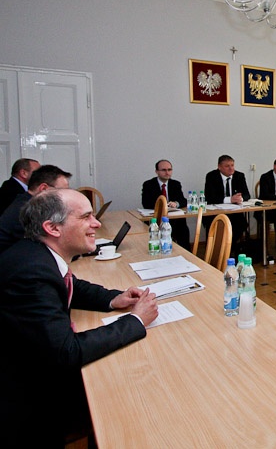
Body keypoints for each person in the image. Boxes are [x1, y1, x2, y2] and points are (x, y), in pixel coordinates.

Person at [0, 188, 158, 446]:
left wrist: (113, 299)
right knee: (128, 398)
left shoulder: (36, 254)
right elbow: (67, 352)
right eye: (85, 217)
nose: (96, 224)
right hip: (27, 403)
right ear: (53, 228)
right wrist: (136, 320)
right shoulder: (31, 273)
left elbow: (72, 285)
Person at [0, 164, 71, 254]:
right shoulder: (26, 210)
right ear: (44, 189)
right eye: (61, 191)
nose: (64, 196)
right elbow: (49, 247)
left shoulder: (27, 202)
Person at [204, 154, 251, 246]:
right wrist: (230, 199)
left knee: (242, 225)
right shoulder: (211, 176)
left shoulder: (239, 176)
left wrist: (240, 198)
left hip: (234, 212)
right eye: (227, 166)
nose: (231, 168)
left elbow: (247, 195)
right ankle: (215, 249)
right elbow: (210, 198)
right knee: (214, 225)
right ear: (219, 167)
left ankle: (228, 247)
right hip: (216, 212)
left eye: (232, 165)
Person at [142, 159, 189, 248]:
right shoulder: (148, 184)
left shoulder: (175, 184)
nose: (167, 172)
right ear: (157, 172)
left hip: (174, 219)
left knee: (182, 227)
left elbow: (183, 200)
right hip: (156, 220)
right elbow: (146, 203)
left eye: (169, 170)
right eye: (164, 170)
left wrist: (176, 203)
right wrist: (164, 205)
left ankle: (186, 253)